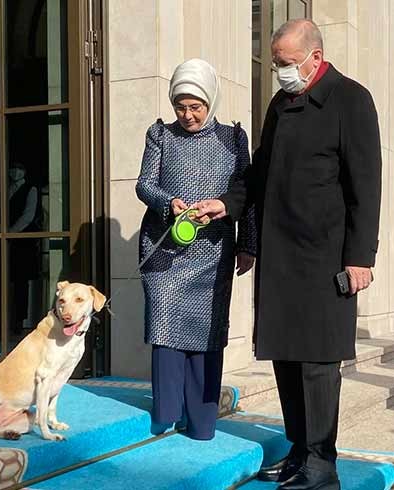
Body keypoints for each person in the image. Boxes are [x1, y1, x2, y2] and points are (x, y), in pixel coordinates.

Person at [194, 19, 382, 490]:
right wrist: (228, 205)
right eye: (276, 62)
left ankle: (323, 463)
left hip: (325, 258)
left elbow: (367, 184)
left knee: (318, 363)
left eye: (285, 63)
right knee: (286, 359)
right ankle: (299, 451)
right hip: (281, 258)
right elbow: (259, 173)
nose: (279, 70)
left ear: (314, 58)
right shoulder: (281, 103)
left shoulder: (351, 100)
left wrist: (361, 257)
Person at [135, 58, 256, 442]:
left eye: (196, 107)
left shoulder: (234, 139)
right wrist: (168, 202)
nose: (187, 115)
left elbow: (247, 194)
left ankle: (201, 421)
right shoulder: (160, 135)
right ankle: (166, 414)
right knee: (165, 326)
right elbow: (143, 184)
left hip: (213, 251)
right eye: (180, 106)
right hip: (164, 251)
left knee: (206, 332)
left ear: (211, 102)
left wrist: (249, 244)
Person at [0, 162, 42, 336]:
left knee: (20, 282)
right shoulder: (1, 189)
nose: (15, 171)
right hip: (1, 242)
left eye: (19, 168)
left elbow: (28, 215)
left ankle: (18, 320)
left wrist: (11, 233)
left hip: (21, 243)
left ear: (24, 171)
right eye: (13, 168)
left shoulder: (31, 189)